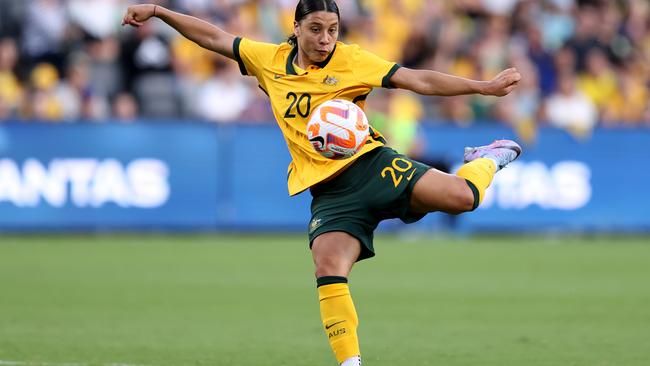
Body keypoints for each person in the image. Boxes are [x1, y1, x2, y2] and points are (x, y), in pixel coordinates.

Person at [122, 2, 522, 365]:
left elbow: (419, 81)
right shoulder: (269, 60)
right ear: (295, 28)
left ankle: (486, 158)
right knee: (328, 267)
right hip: (329, 192)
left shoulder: (352, 61)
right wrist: (159, 11)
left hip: (371, 165)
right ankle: (351, 364)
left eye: (333, 29)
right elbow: (213, 37)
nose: (325, 39)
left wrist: (483, 88)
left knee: (463, 197)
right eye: (315, 29)